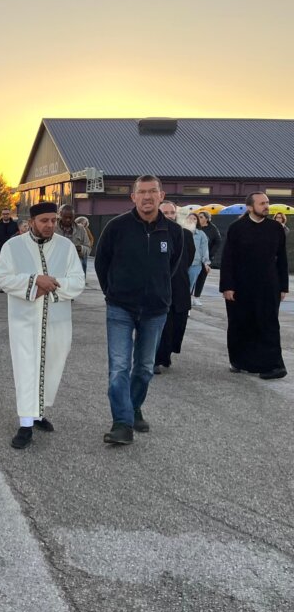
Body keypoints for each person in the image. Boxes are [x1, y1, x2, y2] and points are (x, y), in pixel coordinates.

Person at [94, 175, 184, 445]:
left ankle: (133, 408)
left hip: (156, 311)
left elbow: (171, 267)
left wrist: (157, 291)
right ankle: (122, 423)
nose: (147, 197)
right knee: (119, 367)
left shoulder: (173, 232)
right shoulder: (116, 227)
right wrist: (112, 292)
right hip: (120, 308)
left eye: (152, 191)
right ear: (133, 197)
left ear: (161, 195)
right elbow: (102, 263)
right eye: (141, 192)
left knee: (144, 368)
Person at [0, 202, 85, 449]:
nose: (50, 225)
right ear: (32, 221)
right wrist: (35, 281)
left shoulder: (66, 247)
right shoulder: (12, 246)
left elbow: (78, 281)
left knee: (52, 366)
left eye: (53, 220)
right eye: (44, 220)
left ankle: (38, 413)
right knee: (26, 368)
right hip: (24, 321)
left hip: (58, 321)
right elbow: (3, 278)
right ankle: (25, 423)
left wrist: (50, 285)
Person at [220, 192, 288, 379]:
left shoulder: (276, 228)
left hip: (268, 285)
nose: (266, 206)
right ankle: (239, 361)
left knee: (268, 324)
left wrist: (283, 286)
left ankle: (273, 366)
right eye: (262, 203)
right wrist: (227, 286)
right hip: (241, 286)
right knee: (240, 324)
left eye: (267, 202)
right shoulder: (237, 228)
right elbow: (228, 258)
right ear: (250, 207)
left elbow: (282, 258)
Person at [152, 202, 195, 374]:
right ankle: (155, 359)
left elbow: (189, 258)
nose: (169, 215)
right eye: (166, 213)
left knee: (178, 323)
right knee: (161, 324)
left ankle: (166, 354)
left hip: (180, 285)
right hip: (159, 285)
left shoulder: (185, 234)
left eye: (172, 212)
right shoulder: (152, 233)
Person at [193, 211, 222, 304]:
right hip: (193, 256)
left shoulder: (212, 229)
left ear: (207, 219)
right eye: (198, 217)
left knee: (201, 277)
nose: (199, 218)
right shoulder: (194, 226)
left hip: (205, 257)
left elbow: (218, 241)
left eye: (201, 217)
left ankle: (196, 297)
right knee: (191, 277)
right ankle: (187, 297)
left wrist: (211, 254)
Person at [55, 205, 91, 276]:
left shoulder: (81, 229)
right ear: (60, 215)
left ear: (74, 216)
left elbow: (88, 249)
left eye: (70, 217)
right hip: (57, 267)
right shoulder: (53, 229)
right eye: (65, 217)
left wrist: (80, 248)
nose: (68, 220)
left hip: (75, 268)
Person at [185, 213, 211, 295]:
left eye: (194, 218)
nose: (192, 220)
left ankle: (186, 300)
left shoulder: (201, 234)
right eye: (190, 218)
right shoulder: (181, 231)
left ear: (197, 221)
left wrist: (206, 263)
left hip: (195, 264)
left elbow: (204, 249)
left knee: (189, 285)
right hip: (182, 264)